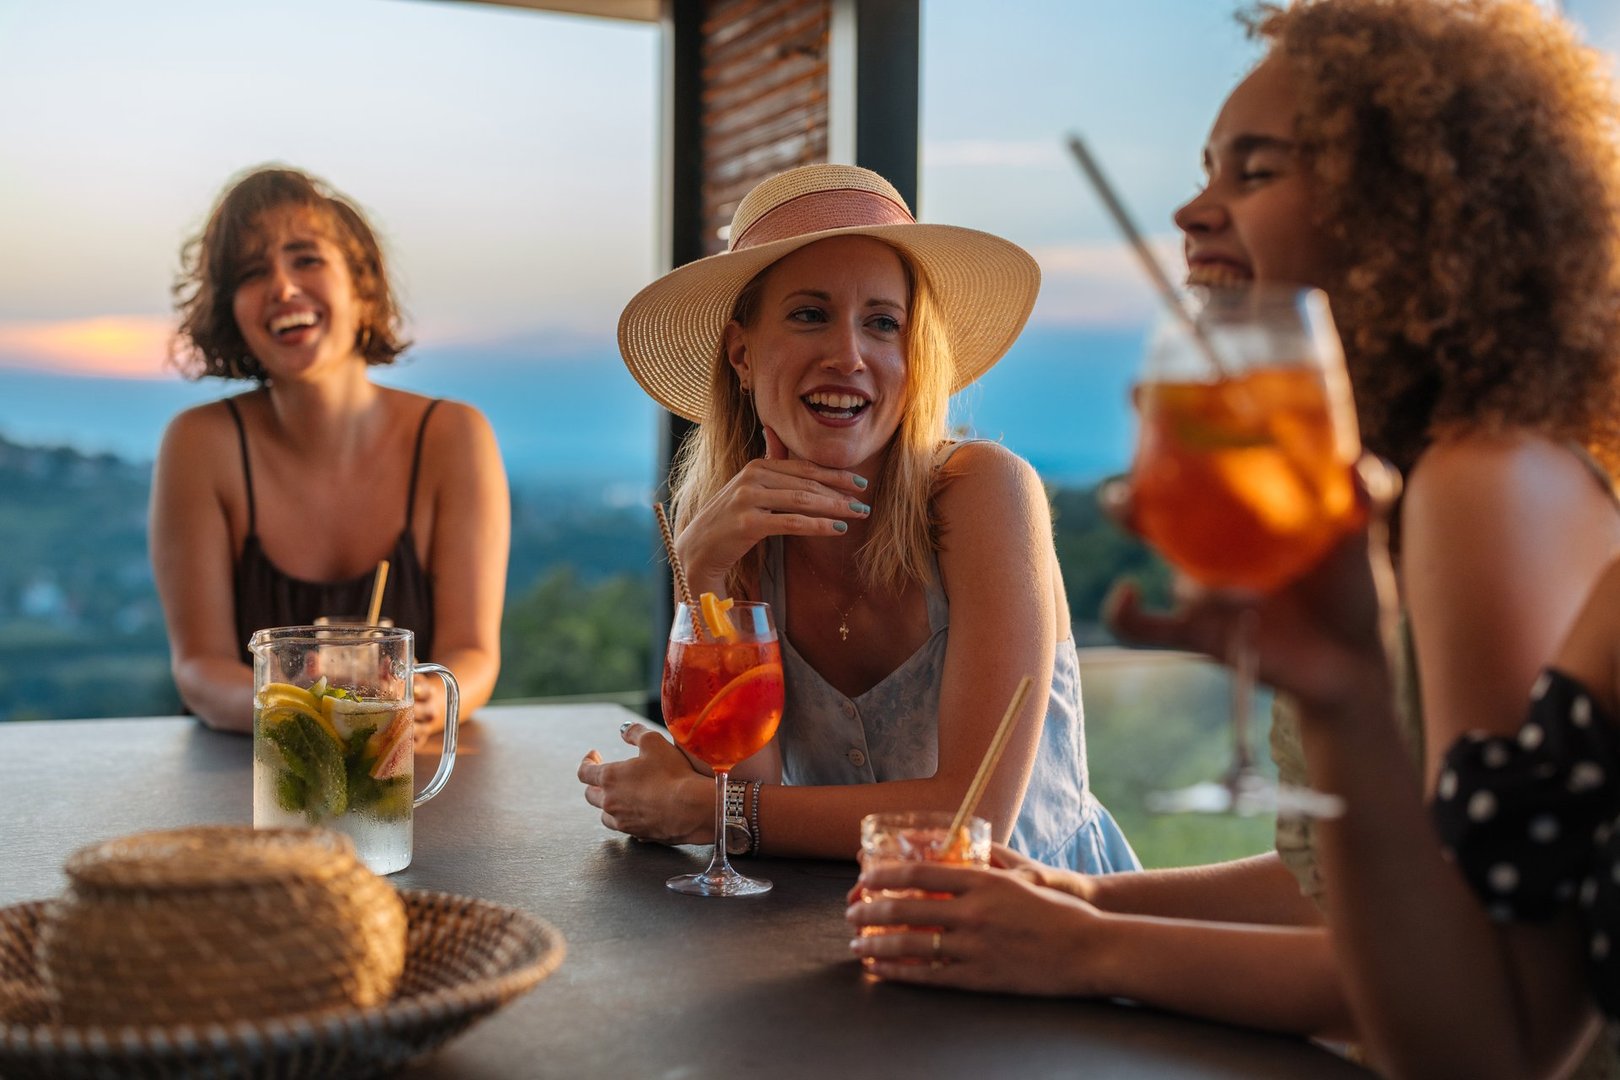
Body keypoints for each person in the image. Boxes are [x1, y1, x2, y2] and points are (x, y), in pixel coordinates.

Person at [846, 0, 1620, 1068]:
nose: (1191, 210)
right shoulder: (1405, 482)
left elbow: (1479, 990)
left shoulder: (1484, 480)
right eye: (1211, 168)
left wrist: (1084, 948)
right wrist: (1088, 892)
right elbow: (1346, 880)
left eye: (1253, 173)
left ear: (1420, 210)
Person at [576, 163, 1138, 871]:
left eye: (882, 324)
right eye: (810, 315)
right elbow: (745, 780)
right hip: (843, 932)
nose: (849, 356)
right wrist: (702, 567)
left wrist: (709, 811)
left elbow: (973, 821)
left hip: (1044, 926)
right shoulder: (729, 523)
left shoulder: (985, 492)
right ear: (742, 354)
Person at [150, 165, 509, 734]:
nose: (283, 288)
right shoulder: (200, 445)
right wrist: (308, 716)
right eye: (250, 272)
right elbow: (199, 668)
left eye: (306, 258)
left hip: (402, 782)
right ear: (230, 311)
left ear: (361, 283)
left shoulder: (454, 436)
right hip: (245, 779)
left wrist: (428, 699)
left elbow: (473, 655)